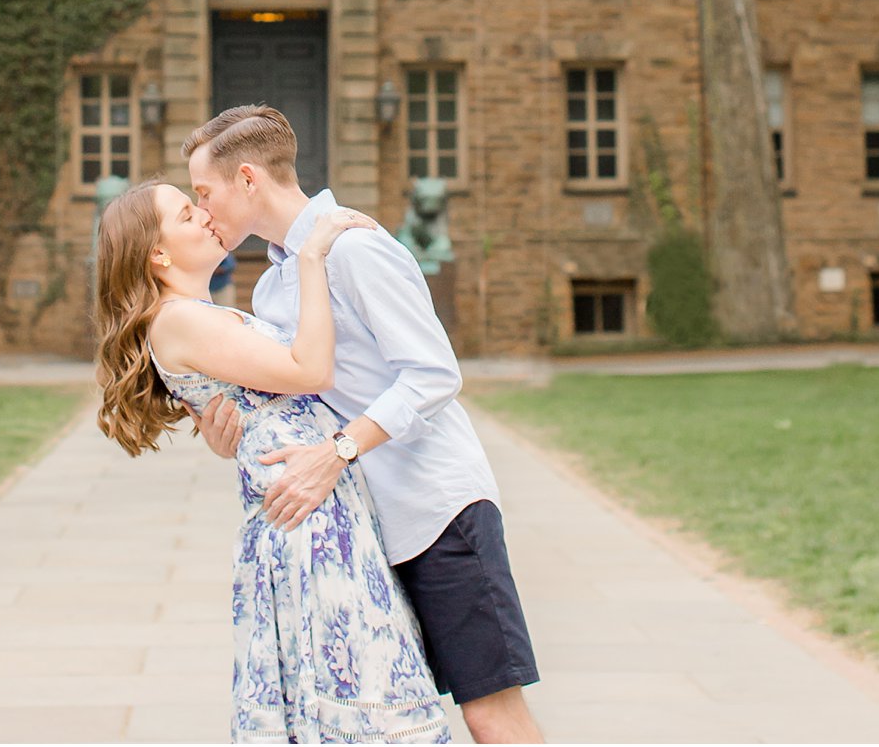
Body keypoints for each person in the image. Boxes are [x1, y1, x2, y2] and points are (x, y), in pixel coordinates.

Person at [187, 106, 543, 746]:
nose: (201, 210)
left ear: (247, 179)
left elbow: (434, 374)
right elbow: (305, 397)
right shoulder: (272, 286)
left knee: (492, 715)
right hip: (364, 531)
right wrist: (231, 434)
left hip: (438, 512)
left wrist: (340, 450)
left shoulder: (356, 248)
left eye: (203, 193)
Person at [94, 179, 452, 745]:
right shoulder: (179, 320)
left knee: (350, 699)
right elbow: (311, 371)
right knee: (357, 702)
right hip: (307, 523)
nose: (206, 215)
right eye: (188, 214)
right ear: (157, 253)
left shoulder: (191, 314)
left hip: (313, 506)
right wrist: (312, 253)